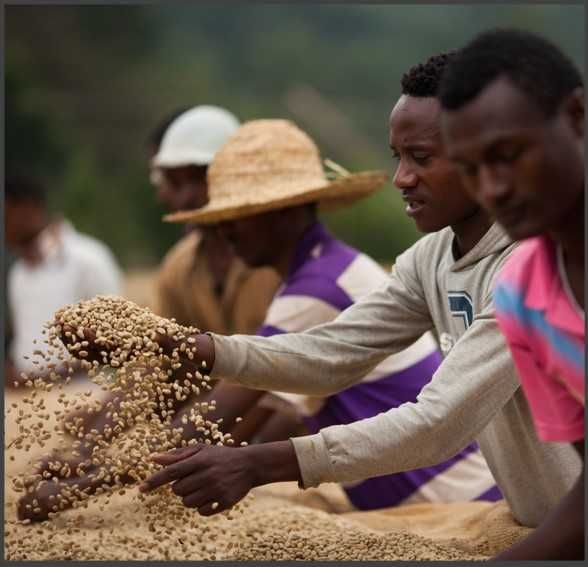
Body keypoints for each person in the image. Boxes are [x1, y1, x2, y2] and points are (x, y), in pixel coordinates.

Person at [136, 52, 581, 526]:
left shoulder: (532, 265)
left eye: (422, 158)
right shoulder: (427, 262)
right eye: (398, 157)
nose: (402, 178)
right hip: (531, 520)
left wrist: (261, 463)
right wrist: (202, 348)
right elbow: (331, 353)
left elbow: (440, 422)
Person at [164, 118, 500, 510]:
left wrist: (105, 469)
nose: (225, 233)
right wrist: (179, 347)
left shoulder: (318, 289)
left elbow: (223, 413)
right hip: (431, 501)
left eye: (236, 217)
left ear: (284, 212)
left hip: (453, 503)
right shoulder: (346, 269)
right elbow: (309, 363)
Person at [438, 29, 584, 561]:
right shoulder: (523, 295)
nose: (493, 189)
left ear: (576, 116)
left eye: (508, 154)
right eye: (472, 170)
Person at [5, 175, 122, 386]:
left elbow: (117, 342)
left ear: (28, 208)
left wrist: (45, 378)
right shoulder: (18, 274)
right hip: (27, 406)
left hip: (87, 402)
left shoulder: (88, 259)